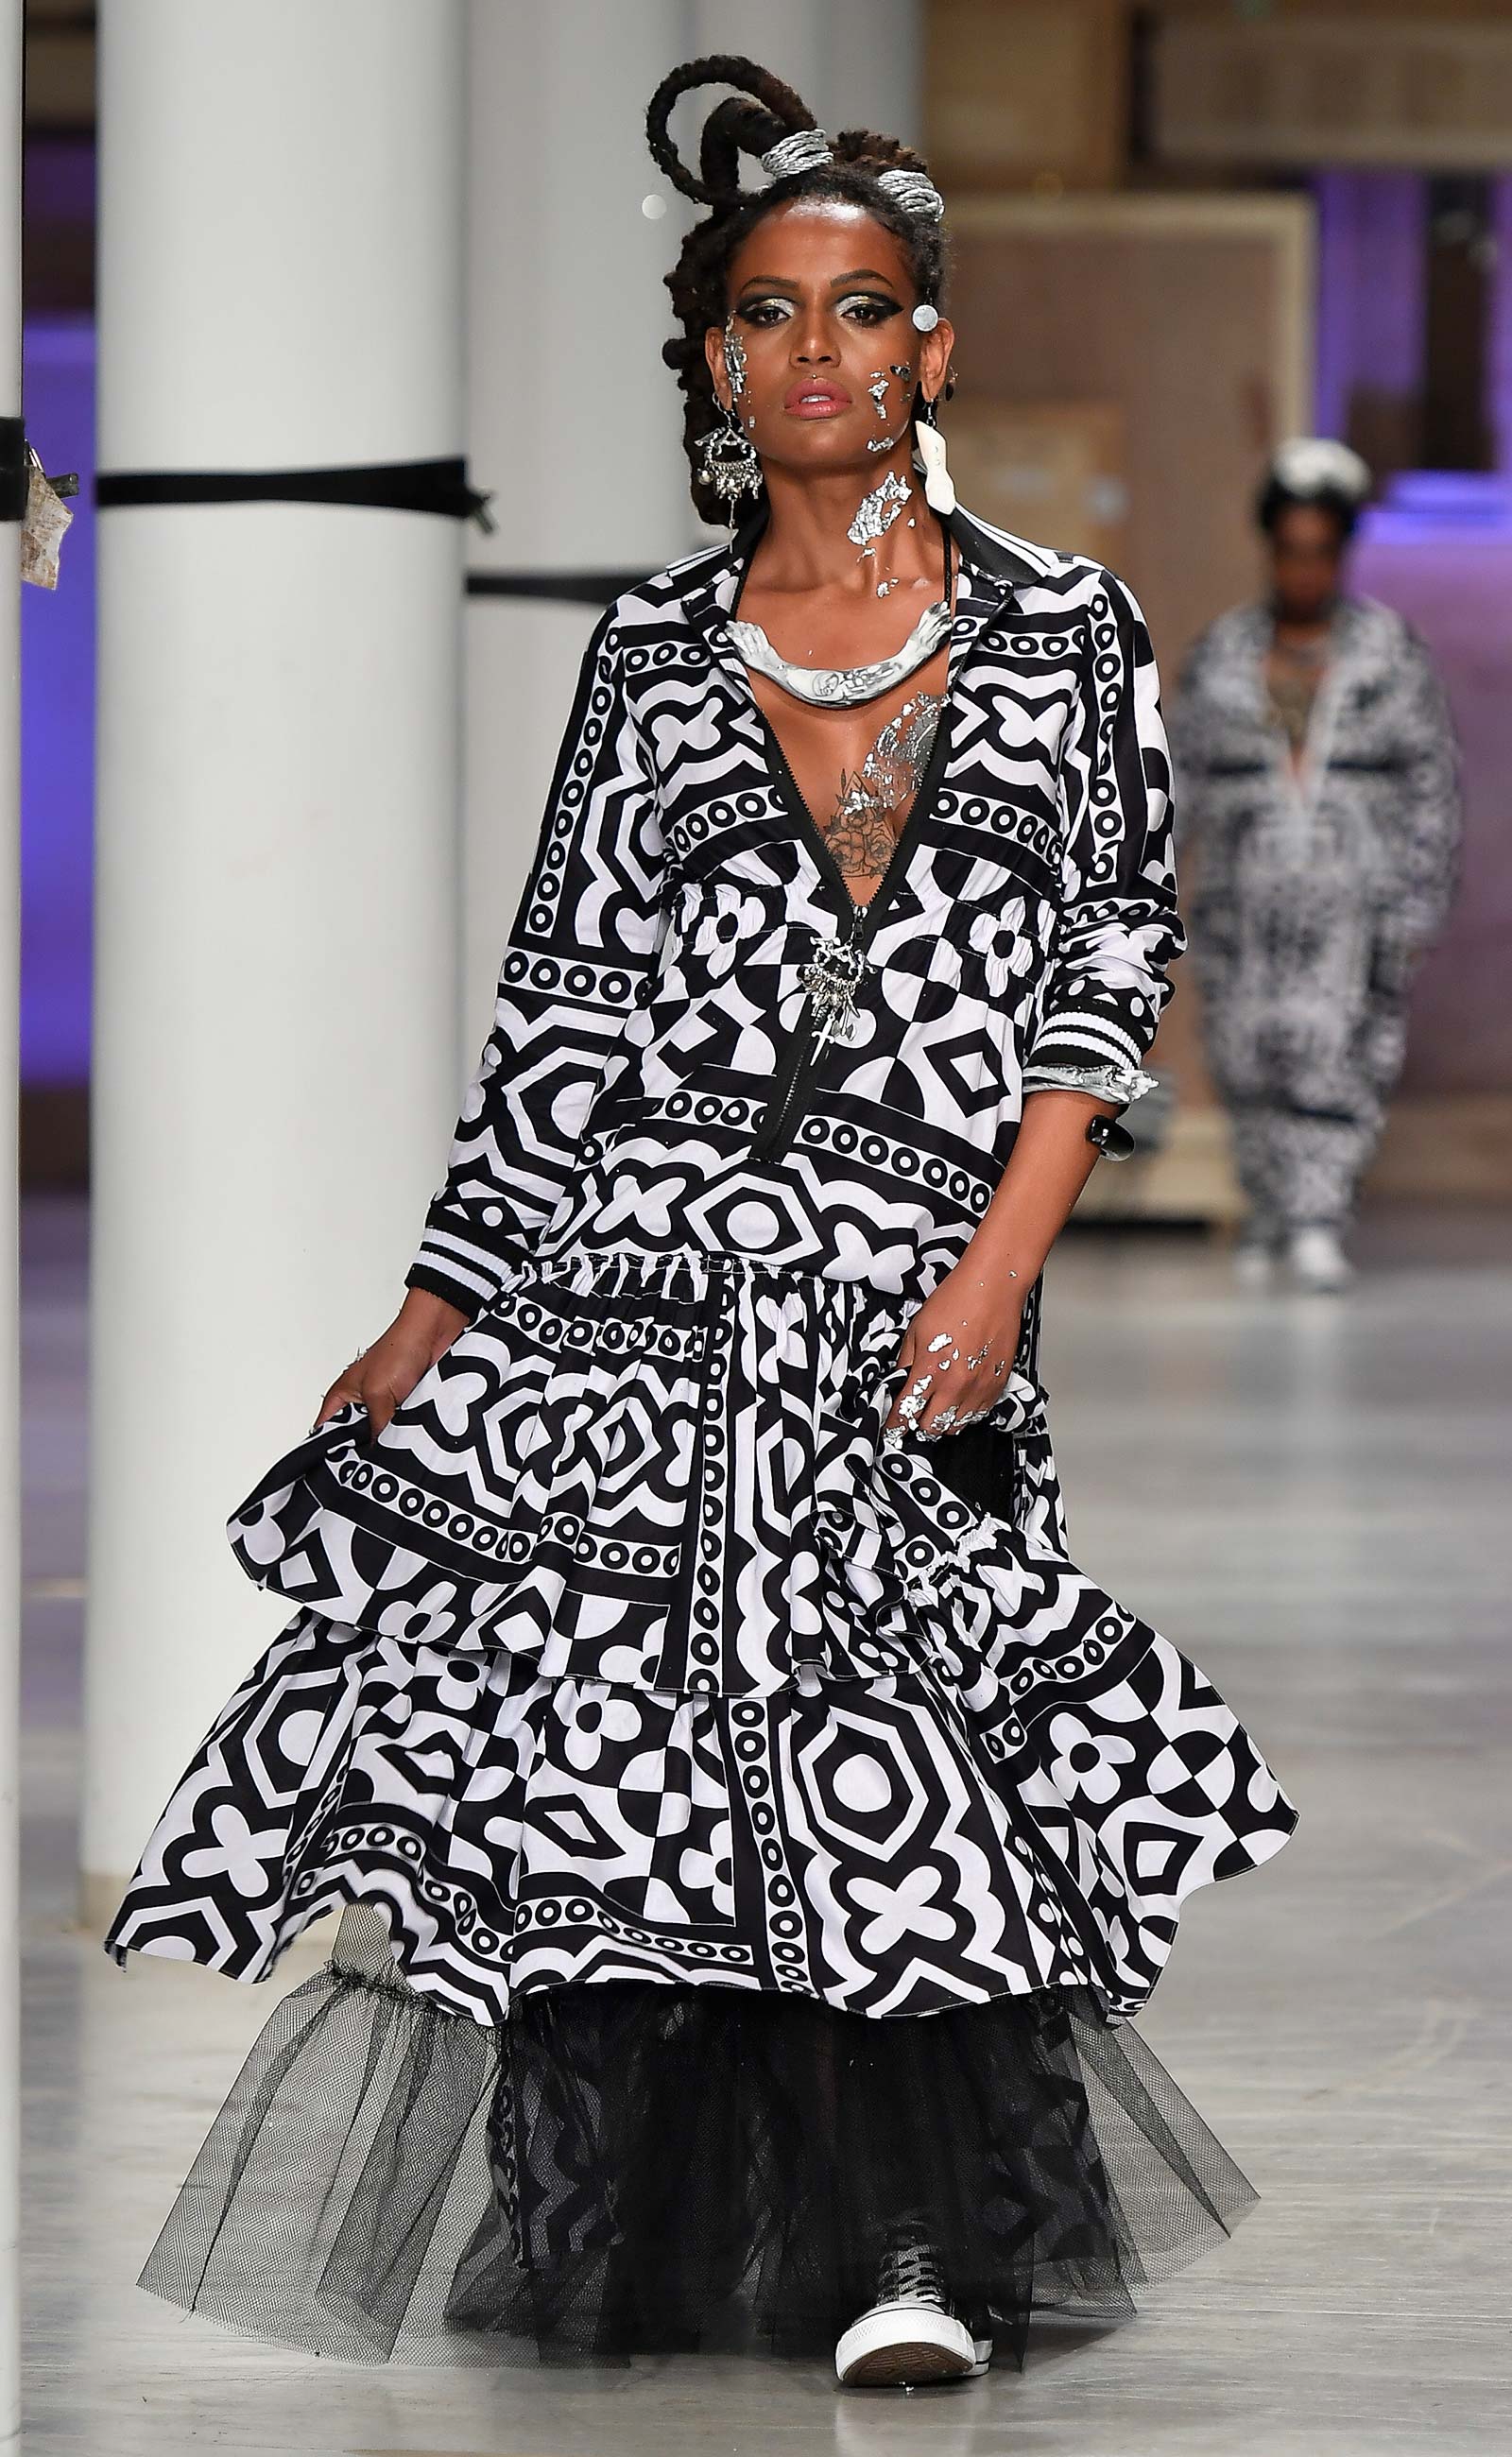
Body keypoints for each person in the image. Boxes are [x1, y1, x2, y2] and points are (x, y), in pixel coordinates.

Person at [103, 56, 1297, 2392]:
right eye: (767, 313)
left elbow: (1103, 971)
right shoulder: (649, 653)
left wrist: (995, 1271)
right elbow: (563, 1010)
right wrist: (437, 1303)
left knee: (885, 1749)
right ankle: (828, 2253)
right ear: (719, 361)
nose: (814, 352)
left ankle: (912, 2240)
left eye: (857, 311)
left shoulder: (1067, 632)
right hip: (631, 1300)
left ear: (930, 347)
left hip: (904, 1286)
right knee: (643, 1779)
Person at [1169, 438, 1462, 1292]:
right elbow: (1175, 778)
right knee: (1244, 1054)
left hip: (1354, 906)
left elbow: (1432, 783)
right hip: (1240, 903)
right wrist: (1145, 892)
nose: (1305, 570)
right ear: (1270, 550)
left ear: (1343, 553)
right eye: (1290, 550)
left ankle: (1318, 1217)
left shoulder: (1389, 655)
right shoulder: (1223, 656)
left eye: (1321, 552)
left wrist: (1418, 906)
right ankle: (1269, 1206)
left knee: (1340, 1057)